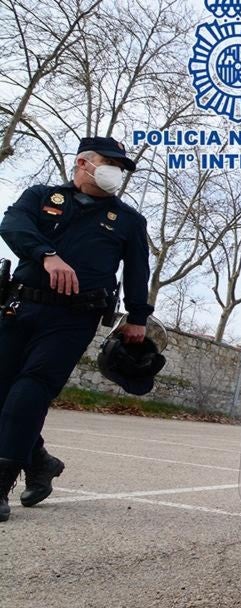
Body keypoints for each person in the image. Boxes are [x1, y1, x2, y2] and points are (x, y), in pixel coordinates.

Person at [0, 137, 151, 523]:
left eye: (122, 166)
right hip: (20, 306)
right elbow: (13, 225)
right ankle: (40, 463)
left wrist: (138, 316)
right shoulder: (41, 196)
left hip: (73, 318)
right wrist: (47, 255)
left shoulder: (130, 220)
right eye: (110, 162)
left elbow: (137, 271)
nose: (117, 171)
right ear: (82, 163)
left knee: (29, 390)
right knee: (4, 394)